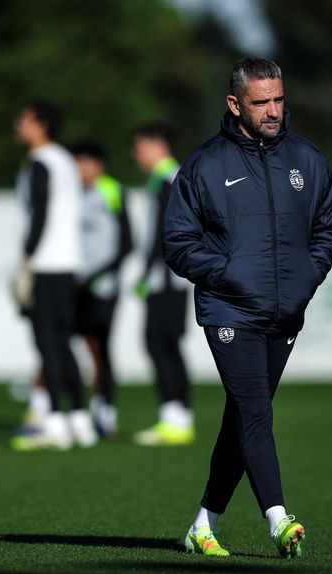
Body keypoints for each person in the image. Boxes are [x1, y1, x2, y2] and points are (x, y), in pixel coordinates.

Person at [163, 58, 332, 558]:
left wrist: (307, 276)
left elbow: (330, 227)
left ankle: (203, 525)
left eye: (279, 100)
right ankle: (278, 519)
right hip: (229, 312)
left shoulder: (307, 160)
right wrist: (230, 276)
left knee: (241, 420)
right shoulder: (203, 165)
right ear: (234, 103)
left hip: (286, 314)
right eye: (261, 102)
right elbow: (178, 243)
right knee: (256, 413)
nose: (272, 111)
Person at [10, 100, 97, 451]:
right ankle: (80, 420)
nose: (19, 124)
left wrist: (27, 259)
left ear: (41, 125)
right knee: (63, 342)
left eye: (25, 119)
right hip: (68, 263)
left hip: (47, 263)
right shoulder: (64, 159)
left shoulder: (41, 161)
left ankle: (56, 424)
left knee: (47, 342)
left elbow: (40, 212)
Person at [131, 123, 194, 446]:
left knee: (161, 343)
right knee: (165, 344)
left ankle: (176, 417)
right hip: (167, 278)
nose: (135, 154)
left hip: (168, 279)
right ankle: (177, 416)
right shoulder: (166, 179)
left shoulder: (169, 180)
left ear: (158, 145)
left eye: (140, 146)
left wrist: (146, 274)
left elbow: (166, 234)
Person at [71, 141, 133, 436]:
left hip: (104, 286)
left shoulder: (111, 190)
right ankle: (64, 410)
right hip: (74, 284)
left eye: (85, 162)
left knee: (100, 348)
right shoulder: (71, 194)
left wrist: (98, 273)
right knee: (63, 345)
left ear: (98, 164)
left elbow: (126, 243)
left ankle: (105, 410)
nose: (80, 169)